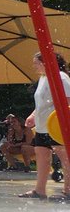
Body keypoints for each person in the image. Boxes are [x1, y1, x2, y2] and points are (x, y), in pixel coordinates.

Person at [19, 51, 70, 200]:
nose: (34, 66)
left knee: (65, 157)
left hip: (56, 126)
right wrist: (33, 115)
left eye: (36, 63)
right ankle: (39, 190)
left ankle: (68, 190)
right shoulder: (43, 78)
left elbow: (67, 101)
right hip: (42, 126)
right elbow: (43, 102)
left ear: (46, 62)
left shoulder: (61, 77)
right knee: (42, 157)